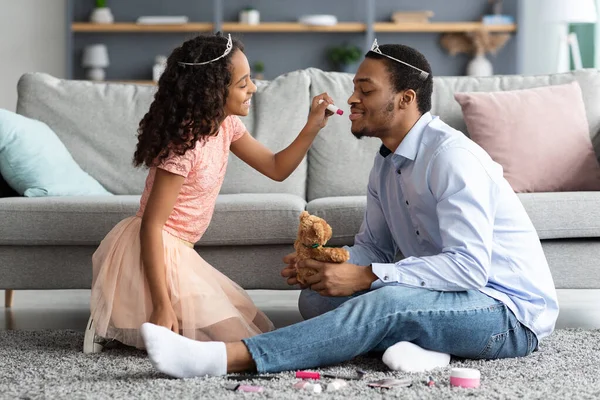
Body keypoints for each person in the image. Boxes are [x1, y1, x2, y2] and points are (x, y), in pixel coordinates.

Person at [138, 40, 559, 378]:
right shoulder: (385, 162)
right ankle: (427, 345)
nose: (352, 99)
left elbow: (469, 268)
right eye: (355, 88)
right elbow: (374, 247)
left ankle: (225, 358)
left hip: (504, 312)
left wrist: (363, 276)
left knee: (386, 301)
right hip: (443, 295)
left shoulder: (451, 158)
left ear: (405, 98)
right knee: (315, 299)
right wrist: (326, 263)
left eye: (366, 90)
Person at [84, 32, 336, 353]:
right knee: (237, 343)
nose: (253, 89)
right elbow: (151, 226)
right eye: (243, 84)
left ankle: (131, 319)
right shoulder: (183, 145)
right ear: (214, 91)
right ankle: (115, 320)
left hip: (182, 254)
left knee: (254, 329)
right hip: (155, 248)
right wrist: (163, 304)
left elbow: (276, 167)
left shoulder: (227, 125)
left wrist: (312, 125)